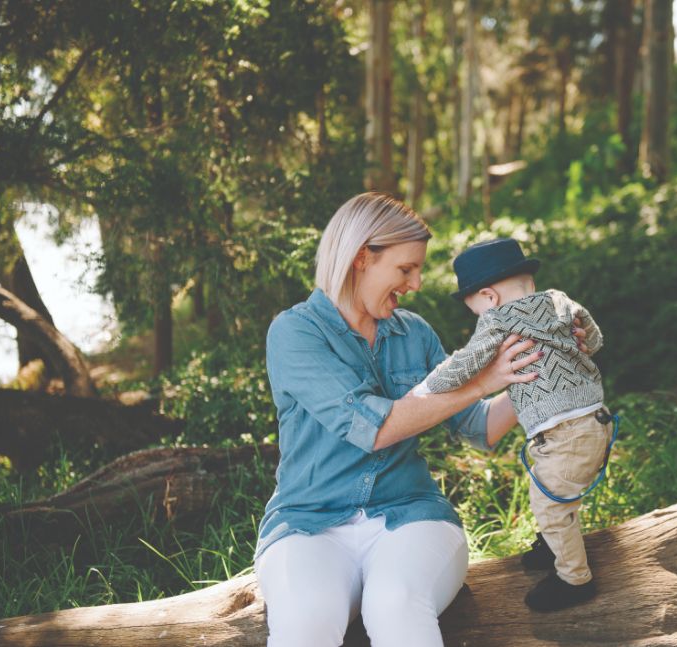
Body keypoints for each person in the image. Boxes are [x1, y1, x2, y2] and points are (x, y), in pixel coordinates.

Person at [254, 193, 546, 647]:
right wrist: (481, 381)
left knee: (395, 603)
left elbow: (480, 427)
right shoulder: (295, 333)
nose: (416, 283)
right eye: (405, 269)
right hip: (307, 522)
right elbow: (373, 428)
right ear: (360, 259)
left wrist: (536, 366)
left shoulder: (415, 333)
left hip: (410, 516)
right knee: (304, 622)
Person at [411, 237, 609, 612]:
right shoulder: (559, 299)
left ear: (488, 297)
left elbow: (470, 361)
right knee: (556, 487)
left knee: (550, 502)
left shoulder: (500, 318)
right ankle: (553, 543)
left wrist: (428, 386)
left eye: (475, 310)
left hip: (565, 433)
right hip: (595, 421)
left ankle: (574, 579)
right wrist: (584, 344)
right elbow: (593, 337)